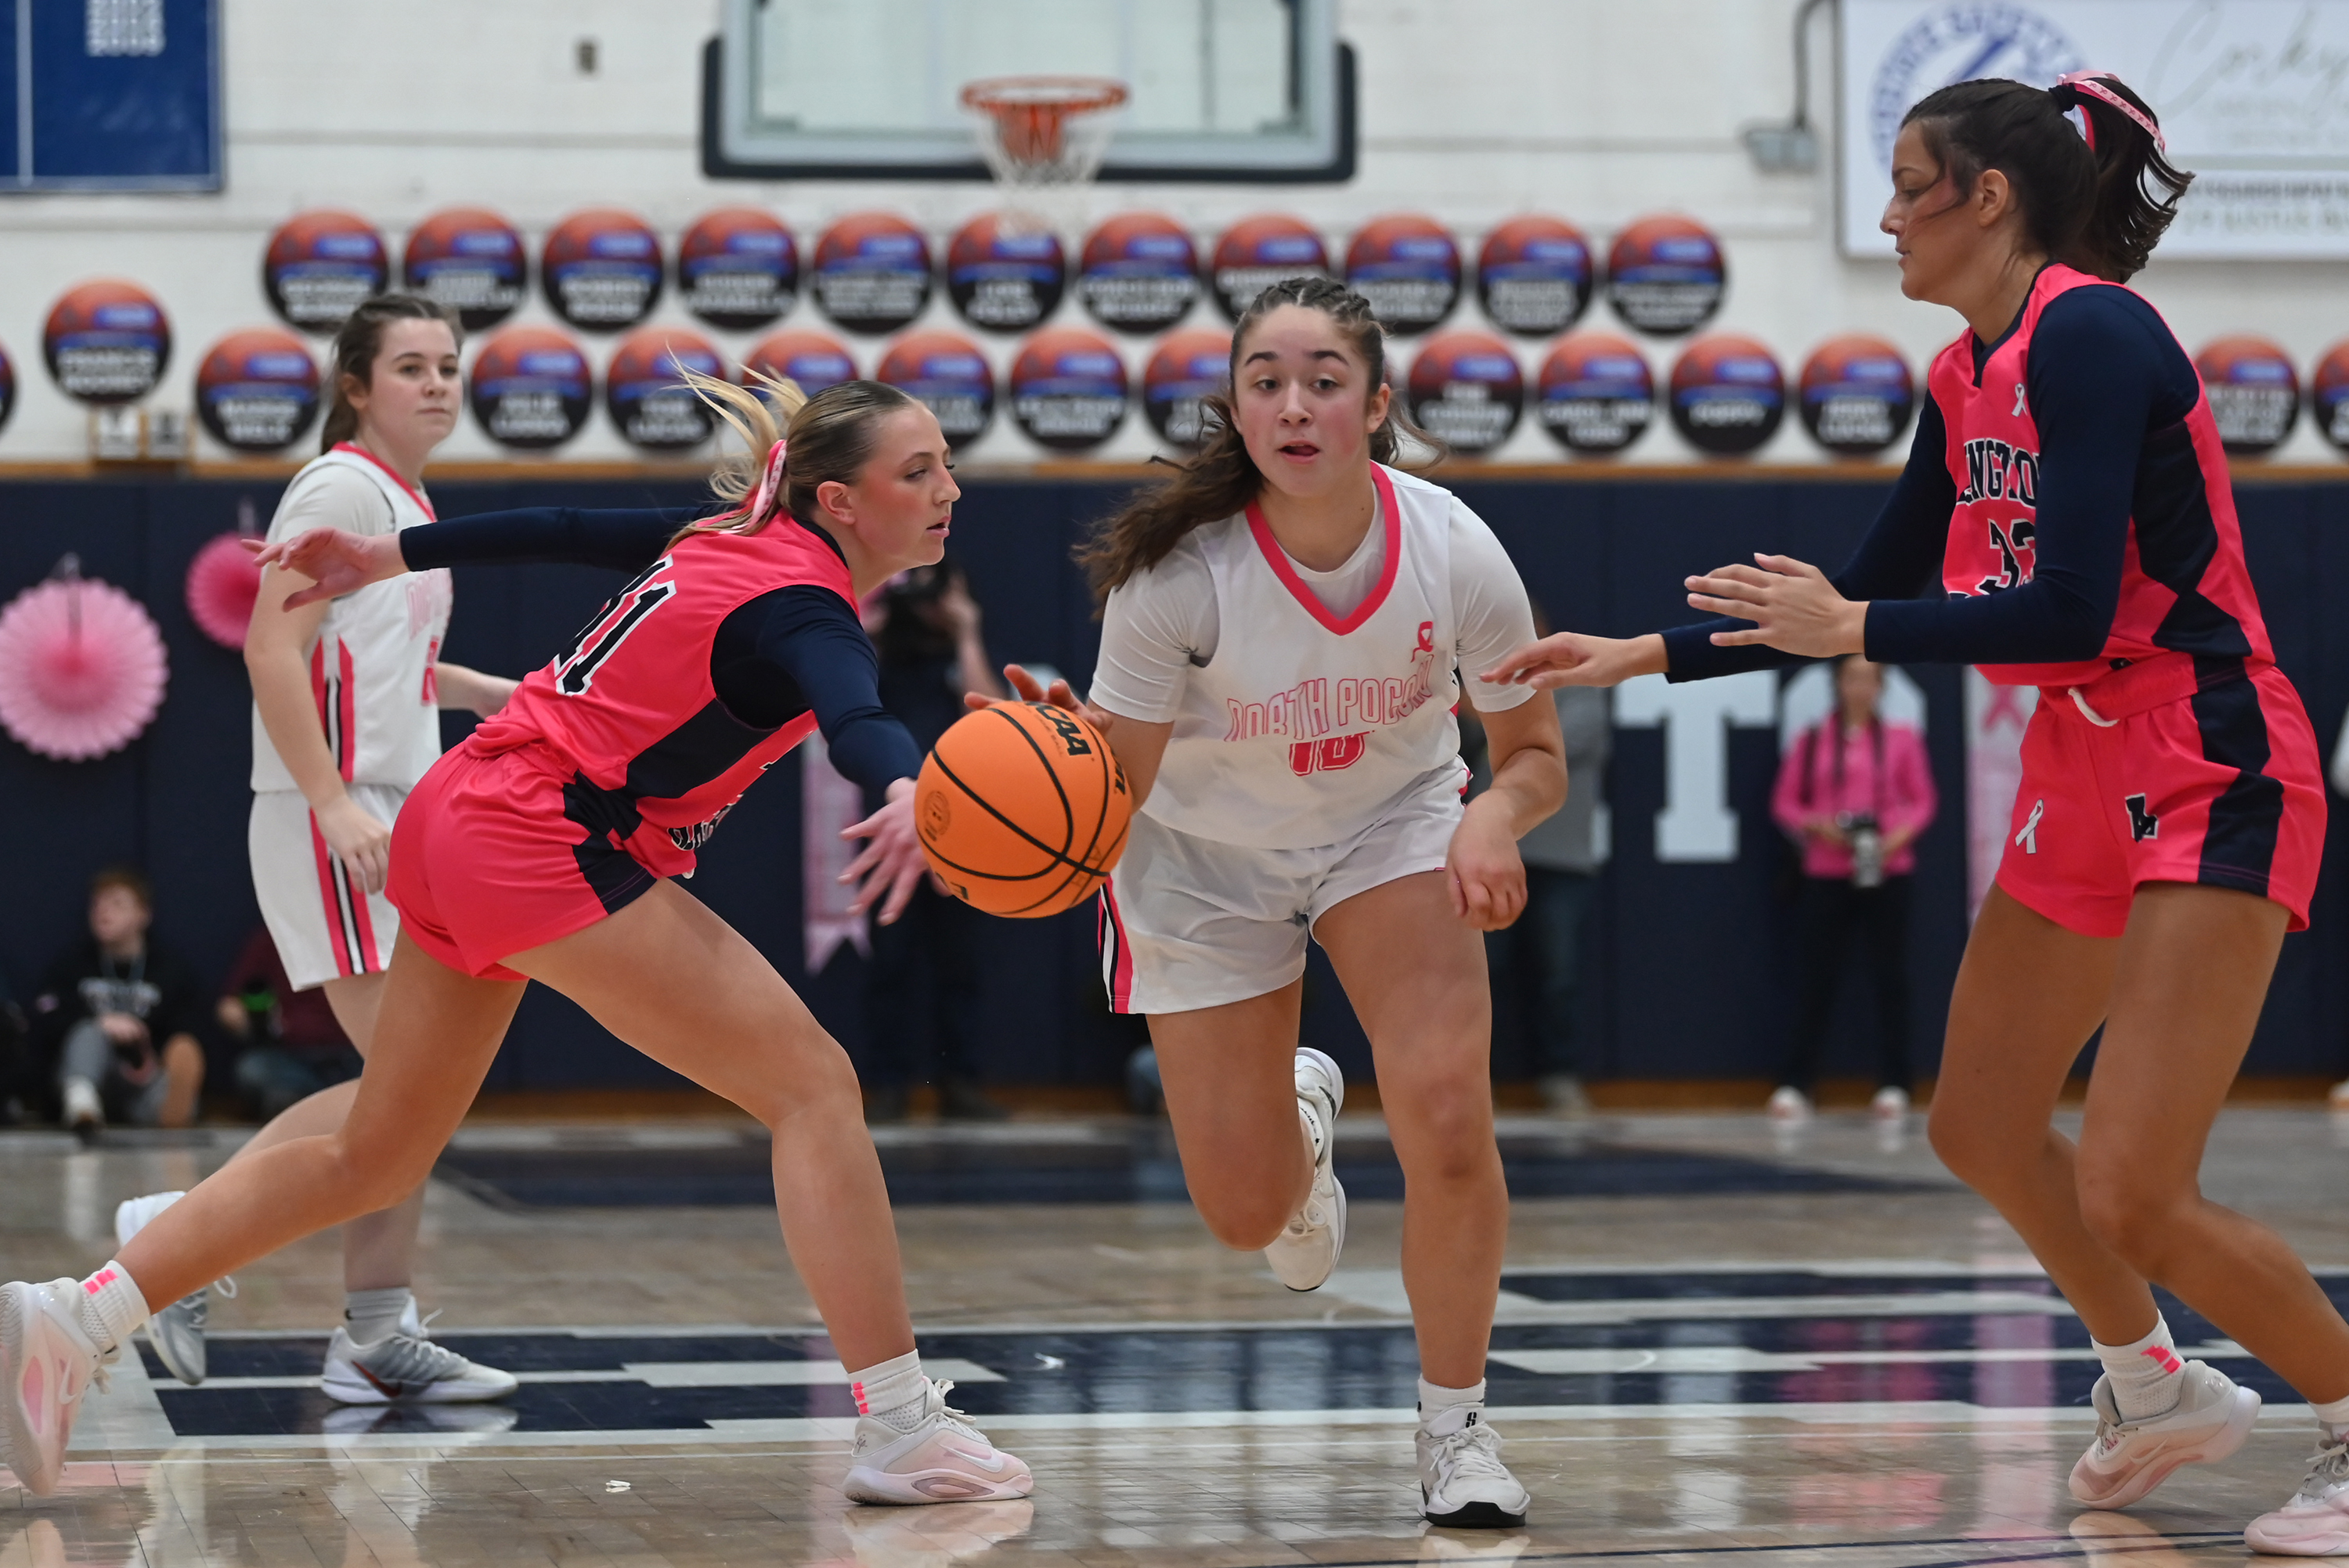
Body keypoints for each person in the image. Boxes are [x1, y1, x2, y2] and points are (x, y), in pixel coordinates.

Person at [1481, 74, 2349, 1555]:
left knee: (2139, 1184)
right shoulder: (1968, 372)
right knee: (1981, 1118)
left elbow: (2064, 607)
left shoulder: (2093, 330)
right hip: (2081, 761)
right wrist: (1638, 656)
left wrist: (1859, 630)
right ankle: (2154, 1383)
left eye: (1907, 183)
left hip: (2204, 746)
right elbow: (1864, 583)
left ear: (1988, 197)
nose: (1884, 213)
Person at [0, 373, 1032, 1508]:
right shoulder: (806, 605)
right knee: (817, 1089)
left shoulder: (724, 533)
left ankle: (73, 1314)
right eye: (920, 470)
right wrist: (901, 782)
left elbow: (561, 528)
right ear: (839, 501)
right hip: (542, 835)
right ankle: (899, 1421)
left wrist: (388, 556)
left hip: (460, 810)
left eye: (946, 464)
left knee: (376, 1156)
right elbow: (859, 716)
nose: (951, 488)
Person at [1003, 276, 1566, 1527]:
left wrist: (1491, 815)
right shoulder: (1176, 576)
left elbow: (1534, 751)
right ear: (1236, 406)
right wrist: (1042, 786)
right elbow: (1122, 789)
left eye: (1323, 380)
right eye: (1267, 381)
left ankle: (1457, 1429)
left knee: (1446, 1114)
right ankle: (1299, 1114)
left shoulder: (1455, 548)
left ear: (1377, 404)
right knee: (1247, 1209)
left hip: (1392, 827)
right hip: (1202, 857)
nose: (1295, 405)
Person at [109, 294, 520, 1402]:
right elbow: (272, 648)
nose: (438, 383)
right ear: (355, 385)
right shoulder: (337, 487)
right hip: (330, 807)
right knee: (407, 1086)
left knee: (414, 1090)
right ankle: (180, 1232)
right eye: (411, 366)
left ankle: (379, 1328)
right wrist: (333, 800)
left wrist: (489, 692)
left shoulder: (406, 499)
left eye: (448, 364)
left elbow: (380, 666)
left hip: (398, 796)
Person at [861, 559, 1011, 1123]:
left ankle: (960, 1081)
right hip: (894, 823)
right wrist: (871, 622)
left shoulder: (958, 652)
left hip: (965, 826)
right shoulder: (881, 650)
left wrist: (965, 629)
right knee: (890, 961)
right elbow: (840, 701)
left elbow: (995, 712)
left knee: (961, 962)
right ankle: (889, 1084)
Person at [1766, 654, 1936, 1123]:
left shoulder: (1901, 739)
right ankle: (1797, 1083)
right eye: (1851, 678)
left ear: (1882, 686)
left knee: (1891, 976)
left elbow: (1922, 801)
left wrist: (1896, 835)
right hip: (1826, 868)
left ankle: (1896, 1083)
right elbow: (1785, 802)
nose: (1859, 687)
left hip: (1886, 867)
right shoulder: (1814, 738)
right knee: (1816, 977)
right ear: (1837, 683)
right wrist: (1818, 826)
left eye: (1869, 679)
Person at [1471, 677, 1611, 1115]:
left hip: (1561, 859)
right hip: (1490, 850)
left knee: (1558, 973)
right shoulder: (1474, 691)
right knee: (1481, 972)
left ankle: (1560, 1076)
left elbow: (1542, 747)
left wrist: (1490, 719)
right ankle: (1474, 1080)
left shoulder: (1582, 693)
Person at [29, 867, 208, 1139]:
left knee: (172, 1076)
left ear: (143, 915)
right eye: (97, 904)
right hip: (88, 1072)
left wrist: (149, 1057)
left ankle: (173, 1111)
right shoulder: (72, 964)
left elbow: (190, 1024)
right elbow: (46, 1015)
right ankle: (82, 1106)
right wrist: (103, 1023)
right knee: (88, 1033)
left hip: (141, 1076)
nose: (103, 912)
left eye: (117, 904)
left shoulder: (170, 970)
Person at [216, 925, 363, 1123]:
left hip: (351, 1053)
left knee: (383, 1073)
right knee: (253, 1068)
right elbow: (230, 1004)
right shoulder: (272, 938)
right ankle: (317, 1105)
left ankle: (312, 1107)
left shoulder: (358, 935)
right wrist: (251, 1020)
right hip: (292, 1056)